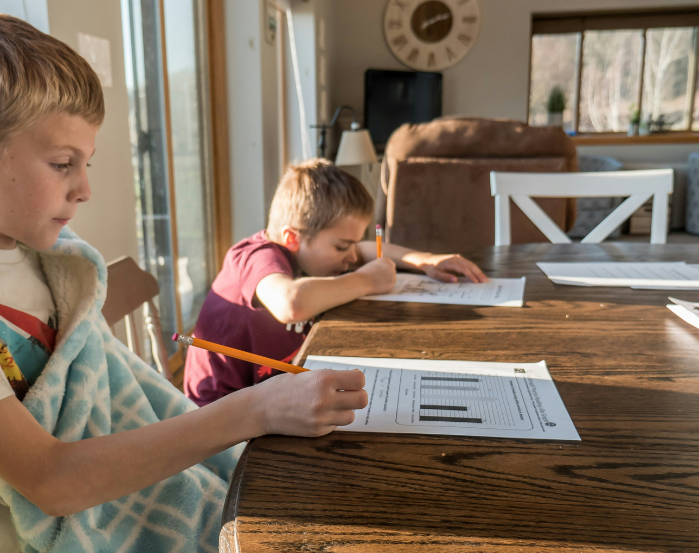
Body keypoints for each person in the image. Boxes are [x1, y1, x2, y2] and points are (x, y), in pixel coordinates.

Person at [0, 8, 366, 553]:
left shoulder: (47, 259)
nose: (84, 188)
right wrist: (255, 409)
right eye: (63, 164)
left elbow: (107, 396)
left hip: (109, 522)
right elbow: (50, 480)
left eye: (86, 163)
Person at [184, 159, 488, 406]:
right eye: (342, 247)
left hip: (270, 394)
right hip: (220, 418)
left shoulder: (307, 252)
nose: (351, 256)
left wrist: (424, 260)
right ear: (292, 238)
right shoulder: (254, 256)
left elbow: (364, 250)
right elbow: (291, 303)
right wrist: (366, 281)